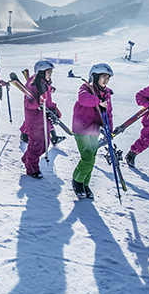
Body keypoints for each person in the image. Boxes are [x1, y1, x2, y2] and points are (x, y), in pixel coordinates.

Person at [71, 64, 114, 199]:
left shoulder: (106, 93)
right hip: (82, 129)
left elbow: (109, 113)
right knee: (87, 158)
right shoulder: (85, 88)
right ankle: (77, 181)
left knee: (92, 158)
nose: (106, 80)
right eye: (103, 77)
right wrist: (98, 101)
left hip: (94, 130)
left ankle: (85, 183)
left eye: (108, 78)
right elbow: (83, 99)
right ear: (95, 77)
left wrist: (109, 130)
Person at [21, 60, 61, 179]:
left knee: (45, 144)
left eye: (51, 72)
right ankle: (32, 168)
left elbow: (47, 101)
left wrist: (54, 109)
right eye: (48, 72)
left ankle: (27, 158)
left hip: (45, 120)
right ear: (41, 72)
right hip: (35, 121)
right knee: (36, 146)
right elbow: (28, 104)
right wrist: (38, 102)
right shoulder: (33, 85)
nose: (50, 75)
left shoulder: (46, 84)